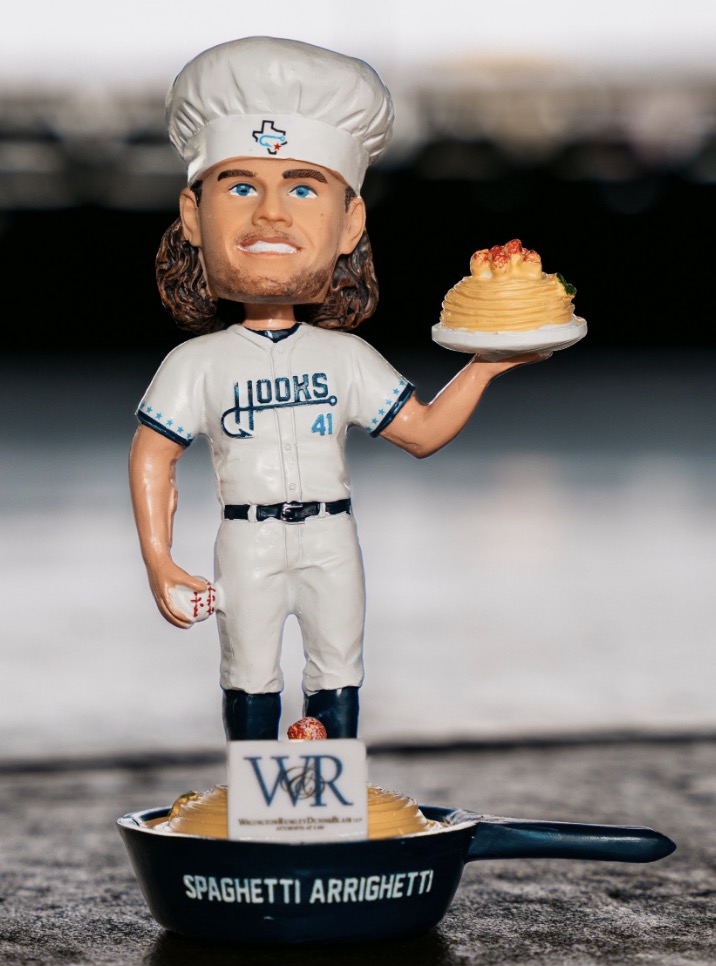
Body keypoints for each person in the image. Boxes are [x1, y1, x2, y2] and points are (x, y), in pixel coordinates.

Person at [129, 37, 543, 741]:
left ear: (349, 223)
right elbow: (152, 456)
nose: (270, 215)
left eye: (302, 189)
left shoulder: (344, 356)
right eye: (240, 187)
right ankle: (258, 797)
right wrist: (159, 559)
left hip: (331, 536)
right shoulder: (196, 363)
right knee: (248, 673)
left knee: (337, 671)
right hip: (248, 539)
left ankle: (328, 794)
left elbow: (421, 433)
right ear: (193, 216)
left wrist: (485, 365)